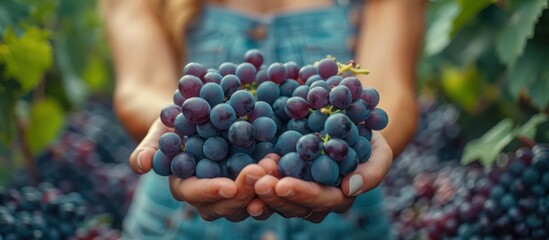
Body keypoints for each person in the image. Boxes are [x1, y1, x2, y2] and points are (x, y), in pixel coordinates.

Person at [101, 0, 425, 239]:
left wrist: (361, 137)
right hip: (173, 228)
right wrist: (180, 122)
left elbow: (391, 94)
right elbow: (139, 89)